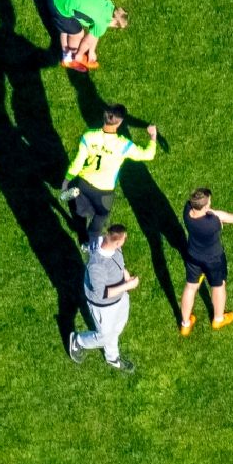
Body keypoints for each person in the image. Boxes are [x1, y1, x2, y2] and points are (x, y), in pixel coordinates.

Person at [62, 105, 158, 244]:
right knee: (101, 215)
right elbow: (148, 155)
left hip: (83, 183)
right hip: (104, 191)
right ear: (119, 122)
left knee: (80, 211)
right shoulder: (123, 145)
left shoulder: (88, 136)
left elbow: (78, 162)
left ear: (104, 117)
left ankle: (82, 236)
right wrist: (152, 136)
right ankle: (90, 242)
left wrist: (67, 180)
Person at [178, 188, 233, 335]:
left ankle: (185, 324)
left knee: (191, 287)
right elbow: (221, 217)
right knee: (218, 286)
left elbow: (215, 214)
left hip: (193, 256)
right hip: (213, 259)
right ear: (205, 207)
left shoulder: (187, 210)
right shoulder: (212, 223)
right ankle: (218, 319)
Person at [68, 224, 139, 373]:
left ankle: (112, 357)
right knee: (105, 336)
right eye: (124, 239)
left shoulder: (111, 245)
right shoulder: (97, 266)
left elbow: (120, 264)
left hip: (120, 298)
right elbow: (101, 293)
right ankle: (78, 341)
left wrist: (126, 277)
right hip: (104, 306)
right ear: (117, 242)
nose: (125, 240)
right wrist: (128, 286)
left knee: (118, 327)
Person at [48, 0, 128, 72]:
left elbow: (95, 32)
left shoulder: (108, 4)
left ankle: (66, 55)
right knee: (78, 34)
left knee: (67, 26)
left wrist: (91, 51)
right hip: (55, 3)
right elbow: (87, 41)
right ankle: (70, 59)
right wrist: (79, 55)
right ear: (115, 24)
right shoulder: (102, 23)